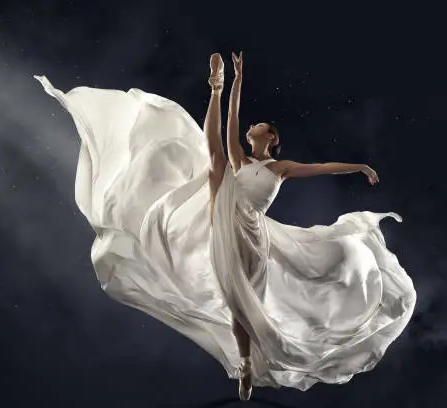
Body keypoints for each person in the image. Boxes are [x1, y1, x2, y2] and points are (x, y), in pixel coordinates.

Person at [34, 52, 416, 401]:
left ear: (271, 137)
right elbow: (229, 125)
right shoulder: (239, 159)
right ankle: (245, 364)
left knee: (242, 296)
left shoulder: (278, 169)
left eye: (260, 126)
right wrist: (230, 82)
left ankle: (248, 362)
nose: (252, 125)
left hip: (252, 232)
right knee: (215, 161)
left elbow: (320, 168)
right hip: (223, 219)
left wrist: (358, 167)